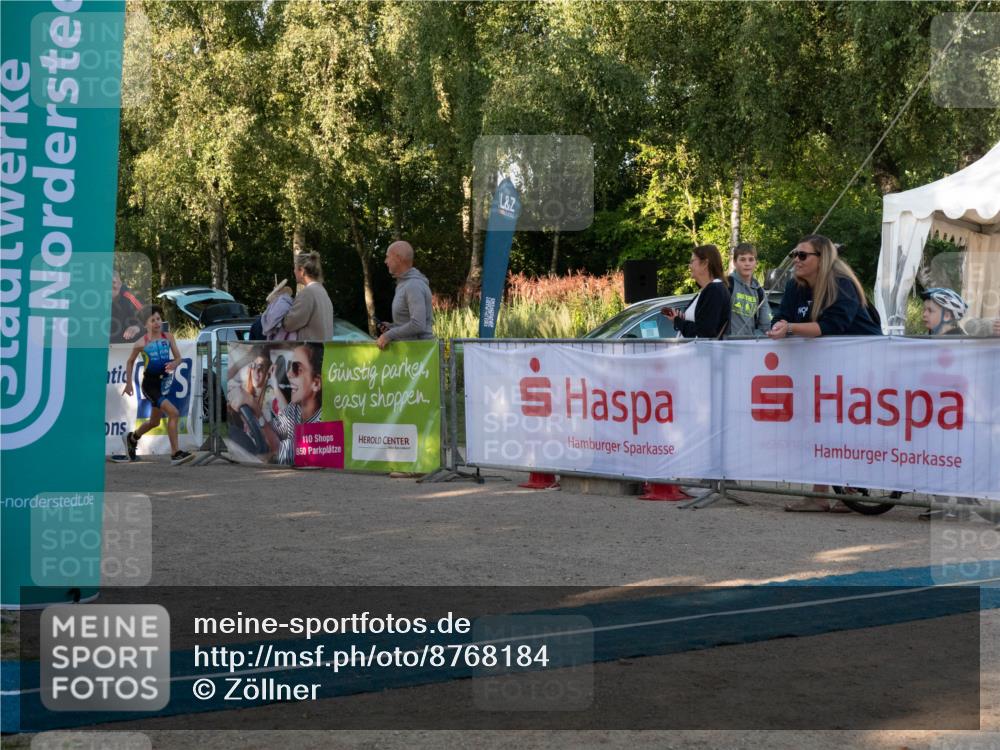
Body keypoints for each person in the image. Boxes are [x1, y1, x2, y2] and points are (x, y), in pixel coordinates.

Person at [768, 234, 881, 511]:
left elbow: (832, 325)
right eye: (794, 253)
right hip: (826, 368)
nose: (796, 259)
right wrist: (779, 325)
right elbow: (781, 315)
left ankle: (843, 491)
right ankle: (823, 494)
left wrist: (791, 328)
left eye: (803, 255)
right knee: (821, 425)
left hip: (864, 363)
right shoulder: (796, 286)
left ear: (822, 259)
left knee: (847, 427)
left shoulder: (842, 285)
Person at [121, 305, 195, 466]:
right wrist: (128, 384)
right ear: (145, 324)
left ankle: (132, 437)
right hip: (150, 385)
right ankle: (175, 453)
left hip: (164, 384)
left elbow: (178, 358)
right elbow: (130, 362)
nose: (156, 322)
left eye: (158, 319)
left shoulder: (168, 337)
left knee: (154, 422)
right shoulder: (141, 343)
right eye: (152, 320)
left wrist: (175, 364)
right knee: (174, 413)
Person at [269, 342, 323, 465]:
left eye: (297, 369)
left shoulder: (323, 419)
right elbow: (277, 429)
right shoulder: (294, 409)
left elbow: (283, 450)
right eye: (289, 367)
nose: (288, 374)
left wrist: (256, 413)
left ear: (316, 383)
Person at [661, 244, 731, 338]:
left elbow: (704, 332)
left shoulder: (714, 290)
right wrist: (680, 320)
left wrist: (678, 321)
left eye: (692, 261)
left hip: (701, 351)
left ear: (705, 263)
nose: (689, 266)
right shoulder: (709, 290)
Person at [376, 240, 434, 350]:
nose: (385, 261)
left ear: (398, 258)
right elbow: (410, 324)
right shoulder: (404, 284)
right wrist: (392, 327)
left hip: (422, 354)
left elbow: (418, 324)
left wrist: (389, 335)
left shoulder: (413, 285)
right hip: (410, 355)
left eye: (388, 257)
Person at [283, 252, 334, 340]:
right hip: (322, 350)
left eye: (295, 269)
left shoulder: (307, 293)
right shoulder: (322, 290)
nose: (294, 271)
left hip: (309, 351)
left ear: (302, 271)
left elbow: (289, 324)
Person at [727, 242, 771, 337]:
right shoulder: (726, 284)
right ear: (734, 262)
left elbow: (765, 326)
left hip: (749, 347)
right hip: (727, 346)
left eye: (751, 259)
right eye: (742, 259)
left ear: (756, 262)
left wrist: (752, 337)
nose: (747, 263)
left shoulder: (759, 291)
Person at [110, 268, 143, 344]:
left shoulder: (129, 298)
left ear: (120, 284)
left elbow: (147, 319)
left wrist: (137, 328)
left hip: (124, 347)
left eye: (113, 282)